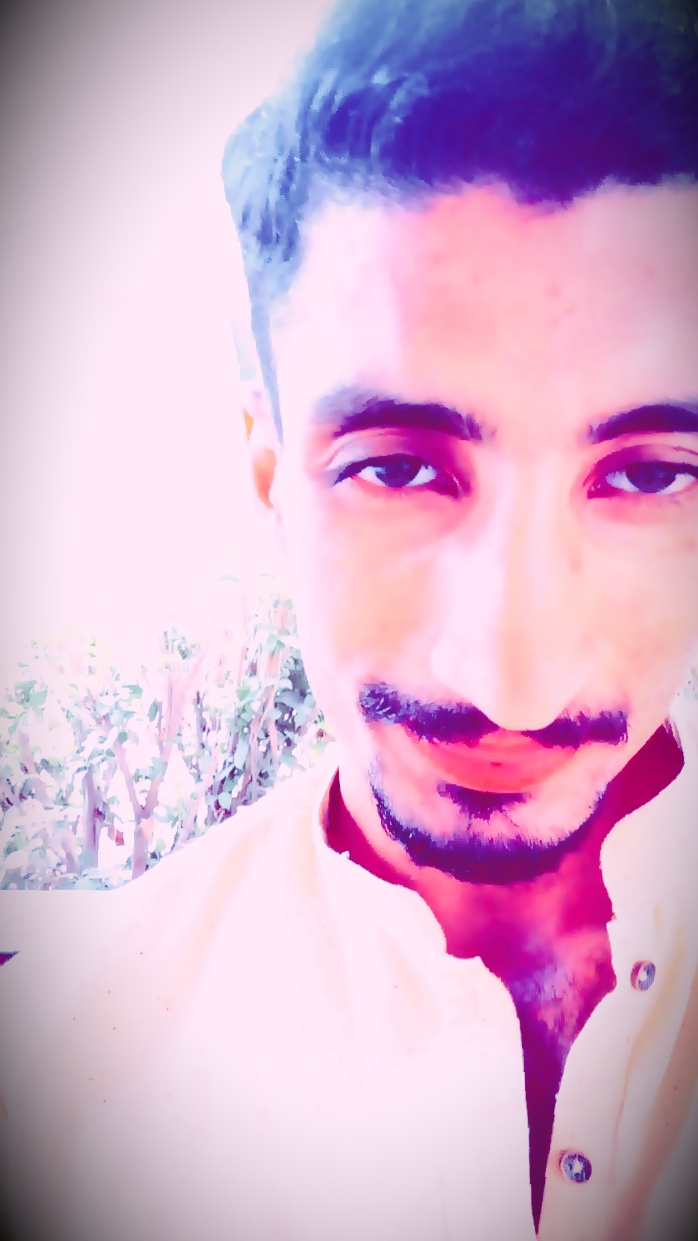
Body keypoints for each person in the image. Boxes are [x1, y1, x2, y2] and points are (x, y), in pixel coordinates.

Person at [1, 0, 698, 1237]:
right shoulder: (61, 1075)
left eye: (646, 475)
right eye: (396, 467)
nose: (513, 681)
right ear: (269, 473)